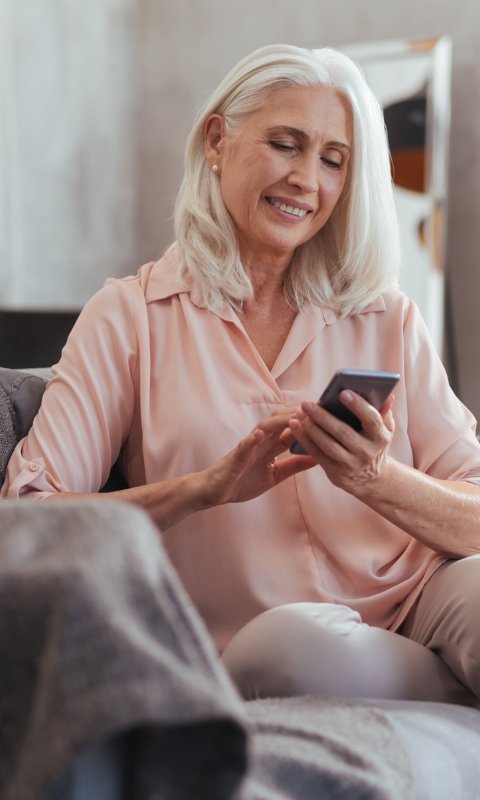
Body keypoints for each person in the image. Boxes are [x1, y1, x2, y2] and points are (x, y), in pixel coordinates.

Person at [2, 44, 480, 706]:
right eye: (286, 144)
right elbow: (26, 521)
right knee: (297, 649)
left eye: (333, 161)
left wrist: (376, 478)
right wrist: (207, 489)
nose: (307, 181)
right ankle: (453, 696)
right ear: (218, 141)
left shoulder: (386, 316)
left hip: (423, 600)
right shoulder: (130, 317)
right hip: (260, 642)